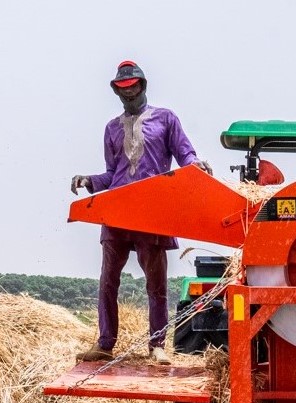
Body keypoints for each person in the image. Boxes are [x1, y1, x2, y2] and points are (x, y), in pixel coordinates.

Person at [71, 61, 210, 364]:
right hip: (118, 212)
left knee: (156, 283)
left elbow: (185, 154)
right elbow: (112, 174)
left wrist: (195, 164)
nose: (129, 93)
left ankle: (156, 345)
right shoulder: (111, 128)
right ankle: (106, 342)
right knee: (108, 280)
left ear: (142, 86)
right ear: (118, 92)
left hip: (153, 211)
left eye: (133, 87)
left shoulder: (165, 119)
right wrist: (89, 181)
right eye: (123, 90)